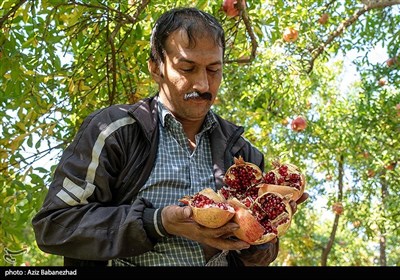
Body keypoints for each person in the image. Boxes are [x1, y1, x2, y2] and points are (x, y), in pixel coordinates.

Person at [32, 7, 308, 267]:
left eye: (214, 70)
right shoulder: (114, 130)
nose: (202, 84)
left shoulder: (241, 152)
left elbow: (263, 255)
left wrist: (262, 230)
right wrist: (157, 222)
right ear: (156, 67)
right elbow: (55, 225)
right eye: (187, 69)